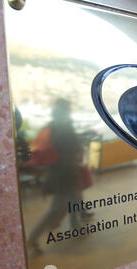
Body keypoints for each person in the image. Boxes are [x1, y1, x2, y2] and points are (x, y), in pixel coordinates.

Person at [27, 98, 93, 254]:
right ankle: (33, 238)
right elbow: (72, 146)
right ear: (66, 109)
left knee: (75, 198)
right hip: (64, 172)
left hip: (59, 171)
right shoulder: (64, 126)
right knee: (56, 208)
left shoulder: (53, 125)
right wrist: (80, 140)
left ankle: (75, 227)